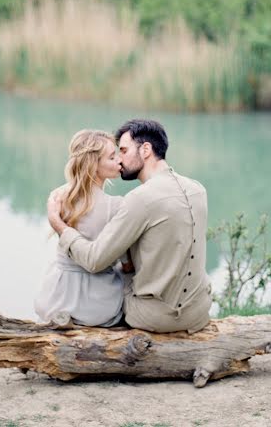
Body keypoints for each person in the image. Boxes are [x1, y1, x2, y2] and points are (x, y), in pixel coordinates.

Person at [48, 119, 212, 334]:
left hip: (155, 317)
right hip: (198, 311)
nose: (120, 160)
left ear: (145, 150)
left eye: (123, 151)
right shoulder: (197, 189)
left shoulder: (140, 199)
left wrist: (59, 225)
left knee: (105, 276)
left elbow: (94, 260)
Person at [34, 129, 130, 327]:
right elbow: (127, 262)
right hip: (98, 305)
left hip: (56, 299)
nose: (120, 161)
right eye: (112, 157)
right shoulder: (117, 206)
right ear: (94, 165)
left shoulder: (58, 196)